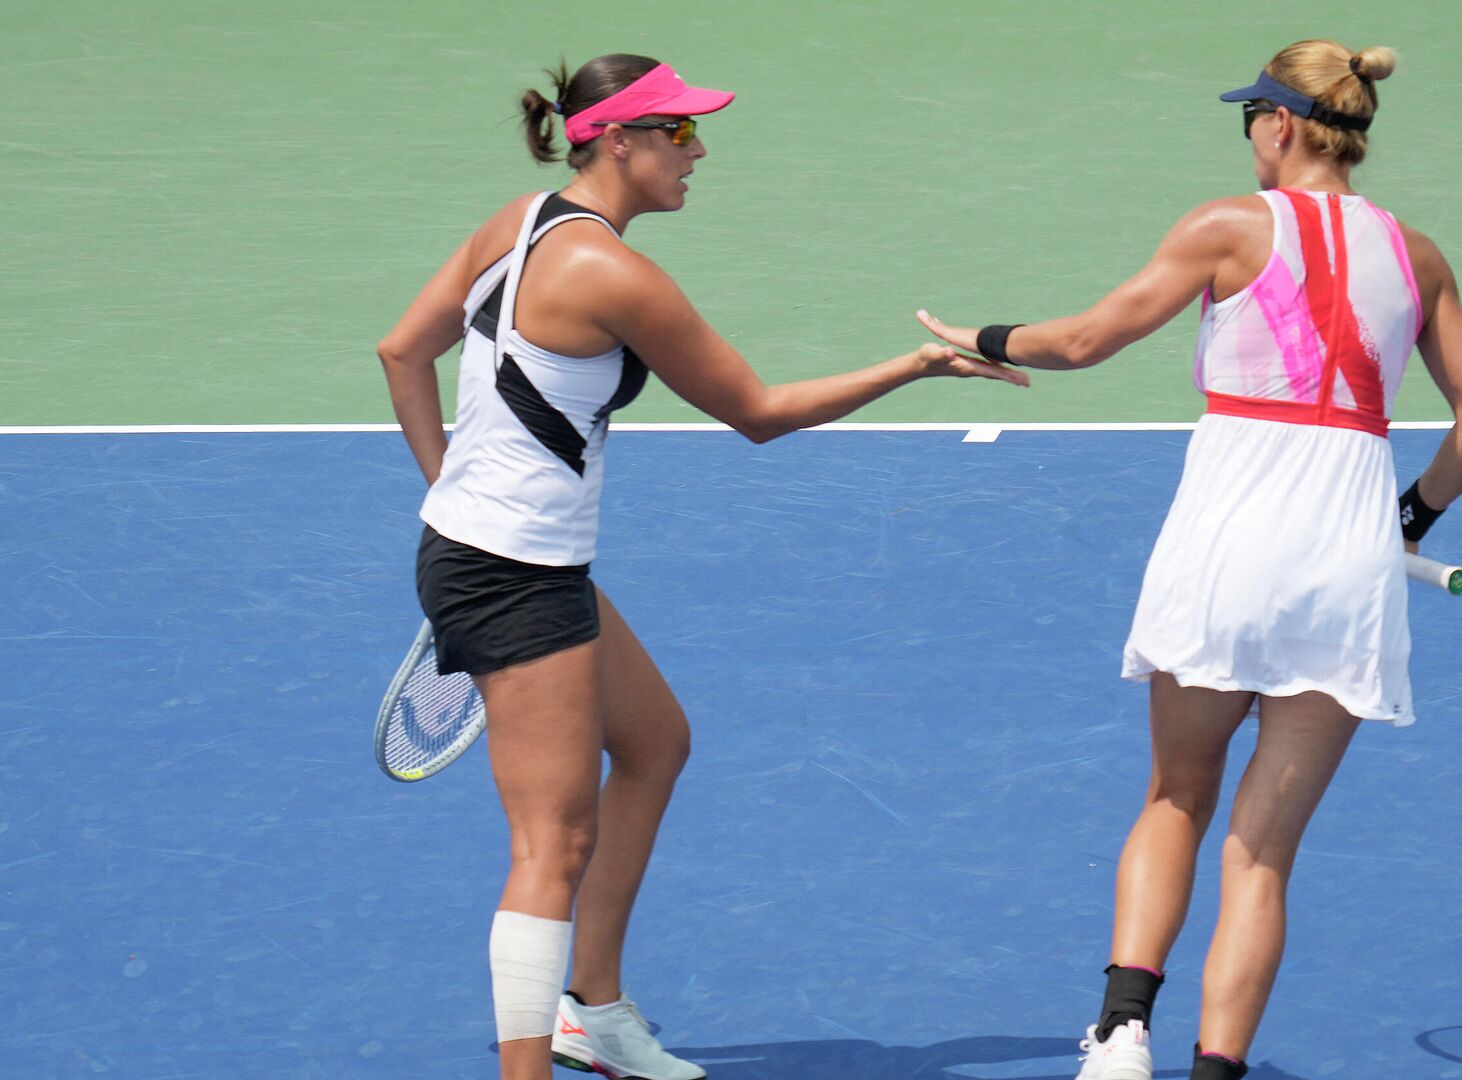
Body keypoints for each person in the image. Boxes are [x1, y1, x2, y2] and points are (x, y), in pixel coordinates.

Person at [376, 54, 1025, 1080]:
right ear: (621, 141)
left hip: (498, 555)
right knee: (551, 846)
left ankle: (594, 1009)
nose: (699, 151)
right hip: (512, 576)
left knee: (655, 744)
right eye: (679, 133)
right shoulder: (612, 274)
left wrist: (449, 496)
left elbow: (401, 353)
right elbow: (758, 415)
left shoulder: (521, 218)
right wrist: (915, 365)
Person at [916, 39, 1462, 1080]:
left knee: (1175, 795)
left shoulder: (1229, 227)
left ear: (1279, 124)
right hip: (1348, 565)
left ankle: (1121, 1034)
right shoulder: (1418, 255)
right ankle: (1215, 1070)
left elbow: (1090, 338)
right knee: (1264, 854)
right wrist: (1404, 522)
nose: (1245, 137)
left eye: (1248, 119)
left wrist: (982, 336)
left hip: (1229, 547)